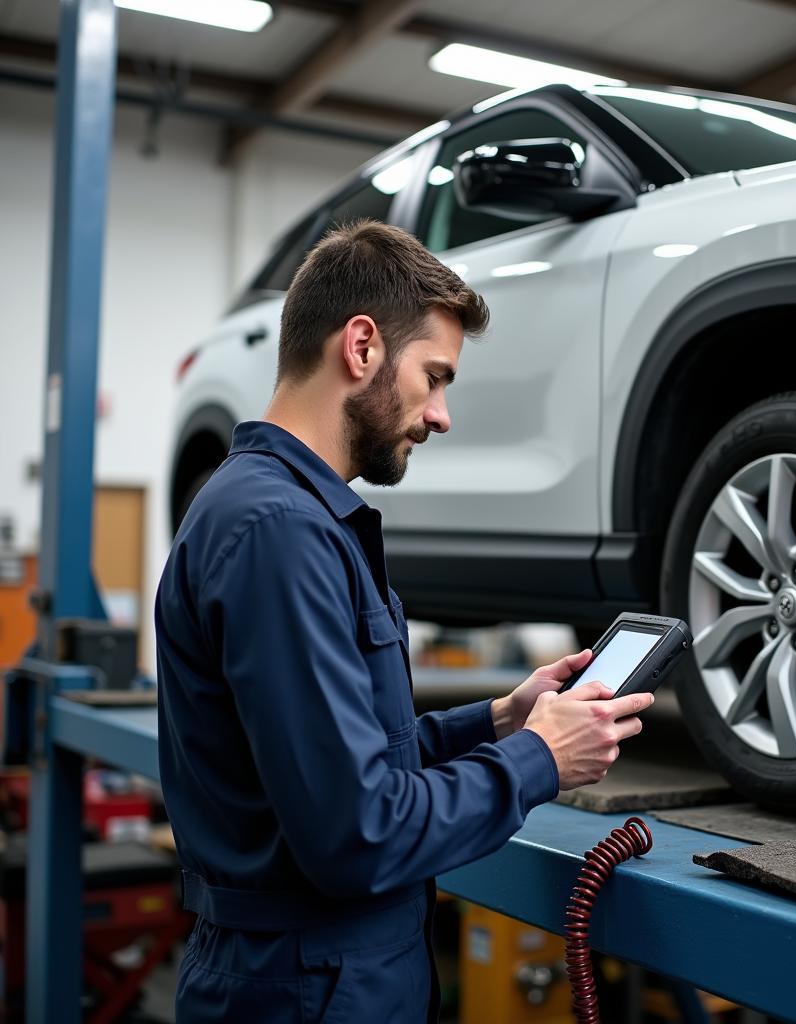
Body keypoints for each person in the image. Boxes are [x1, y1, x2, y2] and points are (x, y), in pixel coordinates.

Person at [155, 219, 653, 1023]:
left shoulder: (287, 517)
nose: (442, 414)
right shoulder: (279, 531)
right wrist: (540, 759)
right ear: (361, 347)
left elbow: (350, 765)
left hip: (321, 970)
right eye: (435, 376)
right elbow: (358, 834)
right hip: (308, 986)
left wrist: (498, 721)